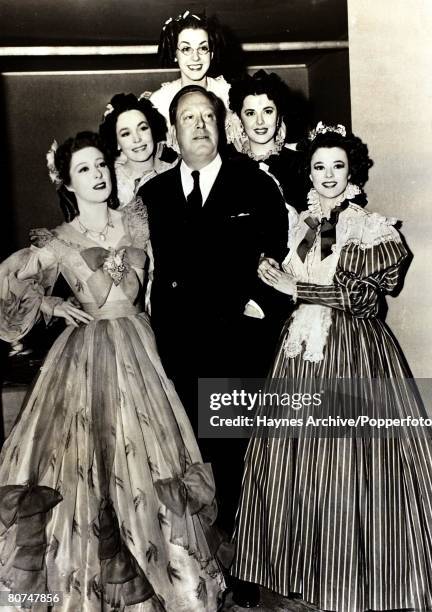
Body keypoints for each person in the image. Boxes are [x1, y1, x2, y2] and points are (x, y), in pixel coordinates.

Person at [0, 132, 225, 611]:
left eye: (101, 164)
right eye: (84, 168)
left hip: (142, 352)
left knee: (149, 462)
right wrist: (53, 302)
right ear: (65, 180)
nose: (97, 174)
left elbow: (162, 278)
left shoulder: (137, 222)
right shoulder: (58, 241)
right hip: (84, 359)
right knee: (86, 466)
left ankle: (172, 580)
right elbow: (11, 284)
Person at [231, 122, 432, 611]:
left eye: (337, 166)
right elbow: (295, 282)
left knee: (353, 462)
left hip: (353, 351)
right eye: (319, 166)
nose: (328, 175)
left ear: (352, 172)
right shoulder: (302, 225)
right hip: (300, 352)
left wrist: (297, 290)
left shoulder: (368, 227)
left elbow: (366, 302)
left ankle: (360, 578)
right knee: (295, 461)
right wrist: (276, 281)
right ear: (307, 172)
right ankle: (307, 573)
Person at [138, 85, 288, 542]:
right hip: (177, 349)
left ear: (222, 126)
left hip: (237, 348)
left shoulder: (256, 184)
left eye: (208, 116)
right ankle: (203, 563)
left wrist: (257, 311)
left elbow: (276, 258)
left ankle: (244, 561)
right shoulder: (153, 195)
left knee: (237, 459)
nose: (200, 125)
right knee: (190, 457)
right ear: (172, 131)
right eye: (188, 118)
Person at [228, 69, 306, 213]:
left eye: (268, 111)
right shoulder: (228, 169)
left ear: (279, 118)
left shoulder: (301, 165)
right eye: (250, 113)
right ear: (240, 119)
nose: (260, 121)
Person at [146, 11, 230, 125]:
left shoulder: (227, 93)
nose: (195, 57)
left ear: (211, 54)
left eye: (203, 48)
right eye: (186, 49)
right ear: (175, 55)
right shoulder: (160, 101)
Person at [99, 93, 177, 208]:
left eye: (143, 128)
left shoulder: (177, 170)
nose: (137, 139)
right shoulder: (109, 182)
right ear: (117, 143)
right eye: (126, 134)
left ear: (152, 130)